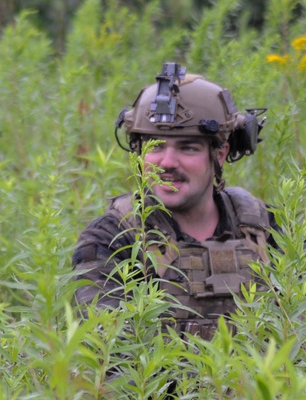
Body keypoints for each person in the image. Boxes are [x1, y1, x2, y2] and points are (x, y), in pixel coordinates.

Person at [72, 62, 274, 341]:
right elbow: (109, 353)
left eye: (187, 147)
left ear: (219, 154)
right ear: (139, 153)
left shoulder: (266, 229)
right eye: (155, 146)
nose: (167, 163)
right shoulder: (111, 239)